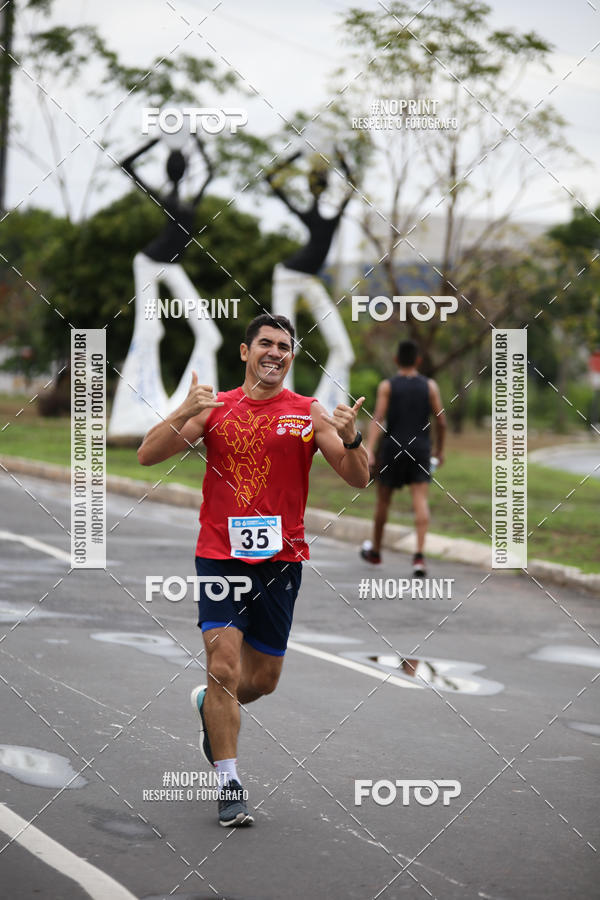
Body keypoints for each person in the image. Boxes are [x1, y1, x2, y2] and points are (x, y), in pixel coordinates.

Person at [137, 313, 369, 826]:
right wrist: (183, 410)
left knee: (261, 680)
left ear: (291, 357)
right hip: (220, 554)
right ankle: (229, 783)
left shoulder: (307, 412)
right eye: (265, 343)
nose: (275, 352)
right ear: (245, 352)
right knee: (222, 666)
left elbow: (357, 480)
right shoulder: (215, 407)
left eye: (285, 347)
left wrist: (352, 439)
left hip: (282, 562)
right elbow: (147, 454)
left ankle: (210, 707)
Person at [109, 135, 221, 438]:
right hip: (147, 263)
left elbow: (210, 171)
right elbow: (127, 165)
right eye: (178, 164)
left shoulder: (188, 199)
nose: (181, 169)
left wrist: (193, 142)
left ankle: (194, 412)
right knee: (149, 332)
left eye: (181, 164)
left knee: (209, 334)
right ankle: (132, 416)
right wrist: (157, 140)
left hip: (171, 266)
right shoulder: (168, 199)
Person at [265, 149, 356, 412]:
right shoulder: (313, 214)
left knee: (343, 350)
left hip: (308, 280)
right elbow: (270, 178)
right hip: (286, 278)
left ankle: (328, 410)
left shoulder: (330, 214)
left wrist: (338, 156)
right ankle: (280, 410)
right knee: (284, 346)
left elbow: (352, 186)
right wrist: (296, 154)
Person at [360, 339, 446, 577]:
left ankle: (376, 551)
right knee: (420, 500)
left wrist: (369, 449)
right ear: (418, 360)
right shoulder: (430, 386)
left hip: (392, 449)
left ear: (396, 360)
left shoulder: (387, 386)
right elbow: (441, 421)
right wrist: (440, 450)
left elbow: (377, 418)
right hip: (421, 449)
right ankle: (419, 557)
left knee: (383, 502)